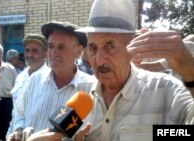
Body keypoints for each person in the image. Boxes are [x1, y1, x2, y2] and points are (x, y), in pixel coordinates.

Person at [74, 0, 194, 140]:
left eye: (110, 45)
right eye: (93, 47)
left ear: (132, 47)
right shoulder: (79, 92)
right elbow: (63, 134)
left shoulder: (167, 90)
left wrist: (190, 72)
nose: (99, 60)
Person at [7, 21, 96, 140]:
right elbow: (20, 113)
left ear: (79, 52)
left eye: (61, 47)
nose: (53, 53)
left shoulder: (92, 88)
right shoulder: (35, 79)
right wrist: (18, 130)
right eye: (51, 46)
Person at [6, 33, 49, 138]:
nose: (29, 55)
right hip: (14, 134)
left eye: (35, 51)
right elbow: (16, 111)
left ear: (46, 53)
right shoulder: (20, 77)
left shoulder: (49, 79)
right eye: (27, 50)